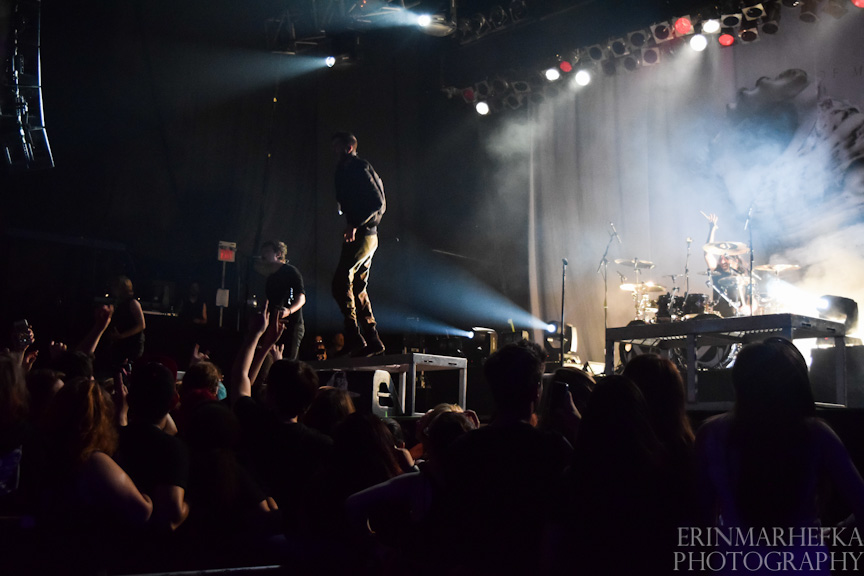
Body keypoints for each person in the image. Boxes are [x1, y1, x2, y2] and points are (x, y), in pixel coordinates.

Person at [331, 132, 386, 357]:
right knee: (357, 287)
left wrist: (354, 223)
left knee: (340, 284)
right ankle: (372, 340)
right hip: (365, 236)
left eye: (337, 147)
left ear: (349, 148)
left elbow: (377, 202)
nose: (334, 151)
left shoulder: (358, 168)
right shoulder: (346, 170)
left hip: (363, 235)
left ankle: (355, 338)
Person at [260, 241, 306, 361]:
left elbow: (301, 298)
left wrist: (288, 311)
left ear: (278, 254)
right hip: (276, 326)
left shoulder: (291, 271)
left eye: (267, 251)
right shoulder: (270, 278)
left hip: (292, 325)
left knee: (288, 363)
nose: (263, 255)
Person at [703, 213, 749, 316]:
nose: (722, 262)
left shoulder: (744, 274)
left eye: (726, 258)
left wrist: (749, 308)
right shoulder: (718, 272)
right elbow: (707, 254)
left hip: (741, 318)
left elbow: (753, 299)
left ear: (735, 259)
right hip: (720, 317)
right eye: (720, 258)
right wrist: (712, 229)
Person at [107, 276, 146, 370]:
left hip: (131, 344)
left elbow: (141, 325)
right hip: (121, 343)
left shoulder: (133, 303)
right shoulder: (119, 302)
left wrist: (121, 336)